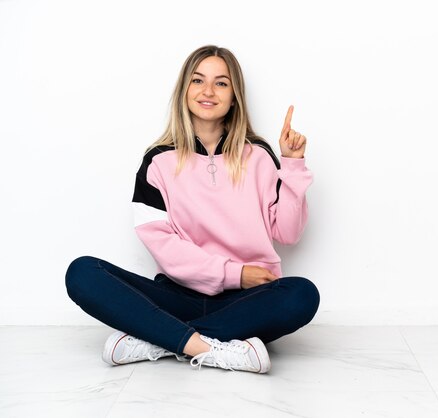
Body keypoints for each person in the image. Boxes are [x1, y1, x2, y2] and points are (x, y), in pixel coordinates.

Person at [65, 45, 320, 374]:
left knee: (302, 295)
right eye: (198, 80)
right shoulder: (157, 160)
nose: (208, 91)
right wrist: (234, 273)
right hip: (176, 294)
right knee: (82, 272)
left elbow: (288, 232)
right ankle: (210, 347)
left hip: (247, 300)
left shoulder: (258, 155)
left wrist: (293, 164)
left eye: (221, 83)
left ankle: (159, 339)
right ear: (184, 90)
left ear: (234, 96)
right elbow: (164, 246)